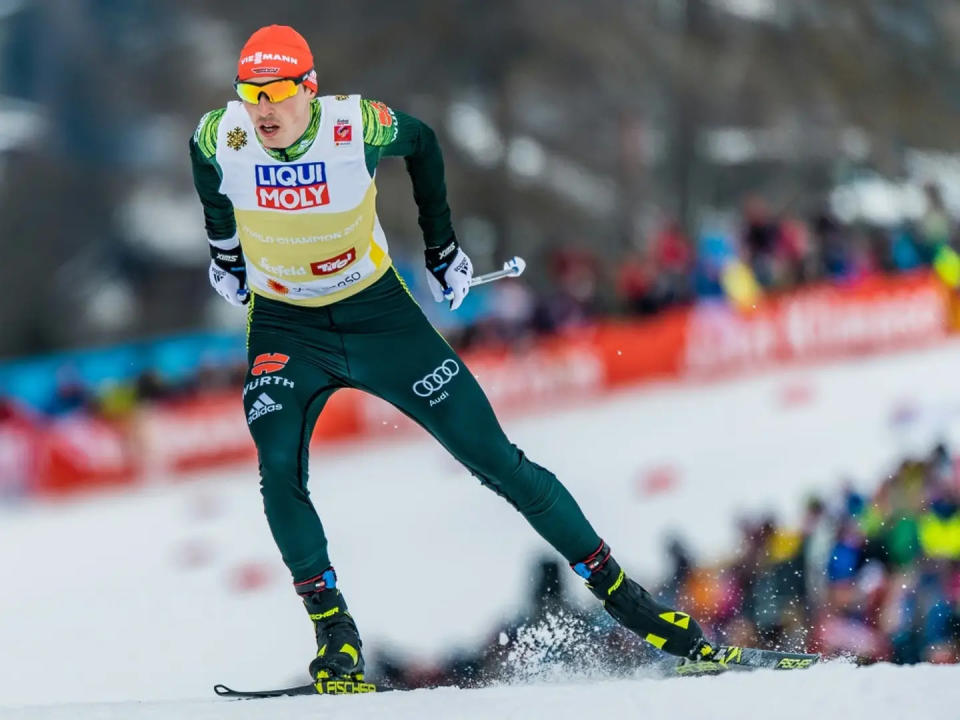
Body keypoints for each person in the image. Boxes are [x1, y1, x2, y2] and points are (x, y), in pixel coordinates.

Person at [189, 24, 720, 692]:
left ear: (309, 89)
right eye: (250, 94)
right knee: (276, 467)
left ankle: (632, 603)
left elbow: (424, 144)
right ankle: (335, 637)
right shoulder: (224, 133)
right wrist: (224, 250)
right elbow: (202, 161)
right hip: (285, 327)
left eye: (275, 93)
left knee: (496, 459)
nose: (261, 109)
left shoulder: (354, 125)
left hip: (377, 315)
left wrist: (442, 250)